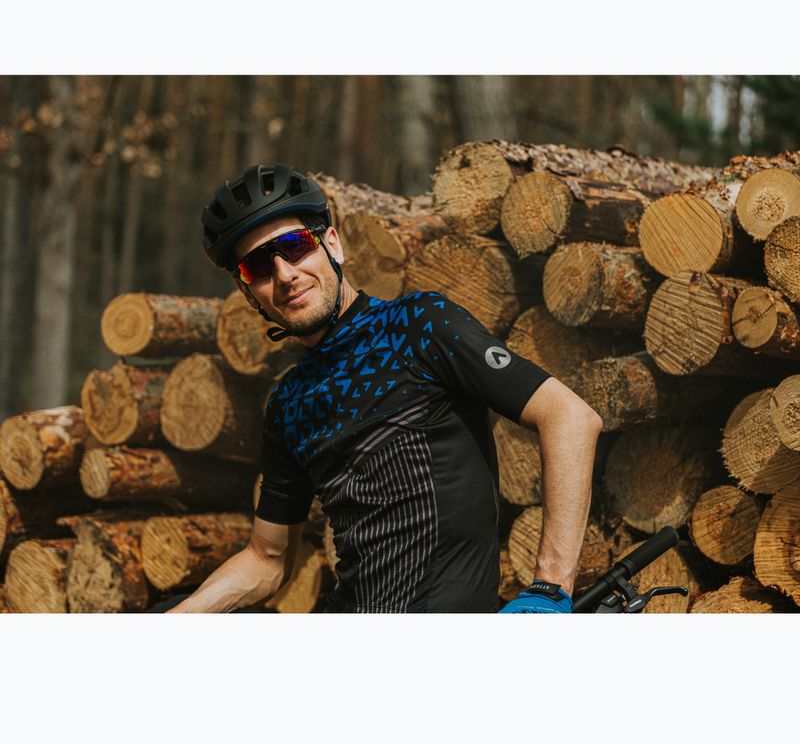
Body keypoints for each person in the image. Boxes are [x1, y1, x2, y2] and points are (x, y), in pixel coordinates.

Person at [163, 163, 602, 614]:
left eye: (294, 246)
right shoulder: (289, 402)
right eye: (258, 265)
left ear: (332, 244)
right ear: (247, 292)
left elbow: (568, 416)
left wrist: (550, 587)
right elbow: (266, 559)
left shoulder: (418, 325)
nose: (284, 273)